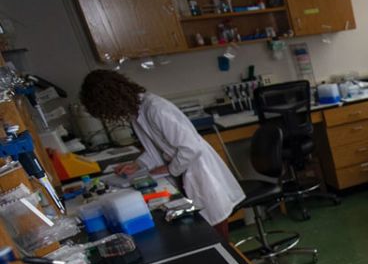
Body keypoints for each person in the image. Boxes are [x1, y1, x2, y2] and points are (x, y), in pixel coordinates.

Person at [79, 70, 245, 240]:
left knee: (216, 233)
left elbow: (191, 148)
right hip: (185, 175)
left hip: (199, 173)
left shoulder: (155, 109)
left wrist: (170, 169)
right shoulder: (137, 112)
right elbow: (157, 149)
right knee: (203, 231)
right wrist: (138, 164)